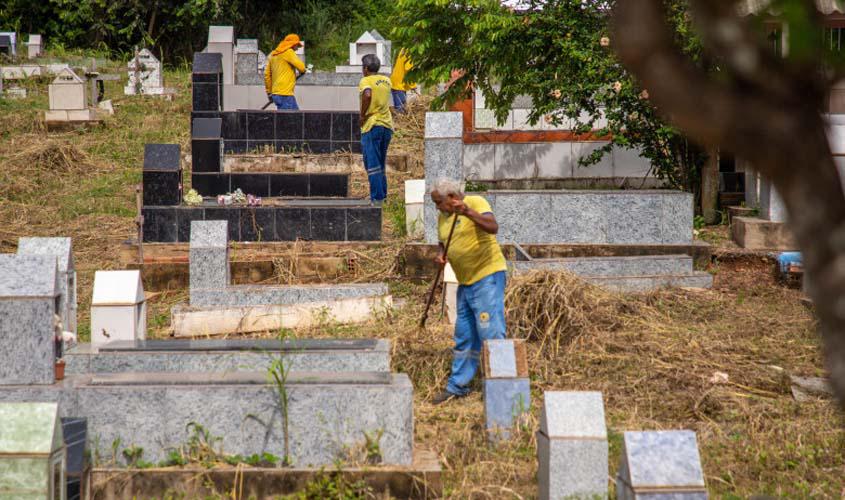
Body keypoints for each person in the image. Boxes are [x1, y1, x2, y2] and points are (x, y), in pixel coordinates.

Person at [430, 178, 508, 404]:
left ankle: (501, 387)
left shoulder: (475, 202)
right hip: (465, 282)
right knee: (464, 334)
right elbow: (443, 241)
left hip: (487, 276)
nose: (437, 207)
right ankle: (458, 386)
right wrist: (441, 254)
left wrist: (467, 212)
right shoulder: (443, 217)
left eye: (438, 202)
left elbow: (493, 227)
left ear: (452, 197)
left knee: (490, 331)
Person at [358, 54, 393, 204]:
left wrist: (362, 115)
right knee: (380, 163)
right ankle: (383, 197)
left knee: (372, 164)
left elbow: (367, 95)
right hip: (387, 125)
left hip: (372, 125)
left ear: (366, 68)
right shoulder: (386, 80)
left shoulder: (365, 80)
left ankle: (377, 199)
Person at [264, 34, 306, 110]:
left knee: (288, 116)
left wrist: (269, 93)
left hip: (276, 94)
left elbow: (267, 75)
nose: (297, 49)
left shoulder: (273, 54)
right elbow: (302, 68)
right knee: (292, 117)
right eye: (297, 45)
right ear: (293, 44)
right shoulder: (288, 52)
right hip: (285, 94)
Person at [389, 48, 416, 113]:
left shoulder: (405, 49)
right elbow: (408, 70)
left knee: (401, 108)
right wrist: (413, 86)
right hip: (399, 84)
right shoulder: (409, 52)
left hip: (397, 82)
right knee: (400, 111)